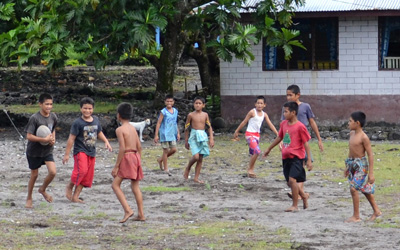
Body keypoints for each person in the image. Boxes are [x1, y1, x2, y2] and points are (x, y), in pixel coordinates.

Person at [264, 102, 312, 212]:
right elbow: (279, 137)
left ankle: (295, 205)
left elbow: (306, 144)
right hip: (286, 157)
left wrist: (308, 159)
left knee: (292, 180)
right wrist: (269, 148)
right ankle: (304, 196)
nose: (284, 114)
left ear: (293, 112)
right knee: (290, 182)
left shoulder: (300, 127)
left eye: (286, 111)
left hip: (297, 158)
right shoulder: (284, 124)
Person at [63, 97, 112, 203]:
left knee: (86, 176)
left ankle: (75, 196)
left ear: (93, 109)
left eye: (90, 108)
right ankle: (69, 186)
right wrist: (67, 154)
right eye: (85, 108)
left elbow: (99, 132)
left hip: (91, 151)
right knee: (82, 171)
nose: (87, 111)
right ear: (81, 109)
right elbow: (71, 138)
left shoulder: (96, 120)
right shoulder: (77, 123)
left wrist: (106, 141)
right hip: (80, 151)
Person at [283, 85, 323, 199]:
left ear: (298, 95)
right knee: (294, 166)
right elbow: (283, 126)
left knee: (301, 164)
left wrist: (319, 139)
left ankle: (299, 191)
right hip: (291, 143)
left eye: (290, 95)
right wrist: (282, 142)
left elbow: (312, 122)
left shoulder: (305, 107)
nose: (288, 97)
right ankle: (301, 192)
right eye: (287, 95)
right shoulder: (286, 108)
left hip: (302, 141)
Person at [344, 111, 381, 222]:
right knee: (364, 189)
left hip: (361, 166)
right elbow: (351, 152)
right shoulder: (351, 134)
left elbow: (370, 154)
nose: (348, 123)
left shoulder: (364, 137)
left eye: (350, 121)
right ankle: (376, 211)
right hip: (352, 164)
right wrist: (348, 168)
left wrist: (371, 173)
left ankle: (356, 216)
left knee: (353, 189)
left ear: (357, 123)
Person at [112, 102, 145, 223]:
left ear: (119, 115)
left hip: (127, 157)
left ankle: (127, 210)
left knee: (115, 185)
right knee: (135, 186)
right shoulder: (133, 128)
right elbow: (139, 146)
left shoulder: (120, 129)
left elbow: (122, 148)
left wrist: (116, 166)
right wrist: (138, 161)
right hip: (136, 156)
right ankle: (141, 214)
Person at [24, 93, 58, 208]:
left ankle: (42, 189)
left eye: (51, 104)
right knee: (34, 175)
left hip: (47, 150)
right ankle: (29, 197)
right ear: (40, 104)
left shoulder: (53, 117)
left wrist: (53, 139)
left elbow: (52, 130)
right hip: (34, 151)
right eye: (46, 104)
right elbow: (29, 136)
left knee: (53, 172)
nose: (49, 107)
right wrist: (43, 139)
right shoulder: (35, 118)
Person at [234, 96, 278, 178]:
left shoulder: (264, 114)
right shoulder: (252, 112)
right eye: (258, 103)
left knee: (253, 153)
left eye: (261, 103)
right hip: (249, 134)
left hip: (257, 136)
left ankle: (251, 170)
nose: (259, 105)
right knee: (257, 151)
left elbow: (270, 124)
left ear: (265, 105)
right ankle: (250, 169)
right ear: (255, 104)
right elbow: (244, 121)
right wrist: (237, 131)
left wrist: (278, 134)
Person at [183, 96, 214, 184]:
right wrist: (186, 140)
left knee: (200, 158)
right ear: (193, 105)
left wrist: (211, 138)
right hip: (193, 136)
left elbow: (209, 127)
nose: (198, 105)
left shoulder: (205, 115)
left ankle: (196, 178)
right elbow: (186, 128)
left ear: (203, 105)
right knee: (196, 156)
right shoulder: (191, 115)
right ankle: (188, 168)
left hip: (202, 136)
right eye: (196, 103)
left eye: (200, 103)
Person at [154, 95, 180, 175]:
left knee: (174, 149)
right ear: (165, 102)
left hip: (172, 133)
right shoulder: (163, 112)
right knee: (165, 150)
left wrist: (178, 132)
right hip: (164, 133)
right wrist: (156, 135)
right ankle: (166, 168)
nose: (169, 103)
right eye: (167, 101)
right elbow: (159, 122)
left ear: (173, 102)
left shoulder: (175, 111)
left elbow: (175, 122)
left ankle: (161, 159)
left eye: (171, 101)